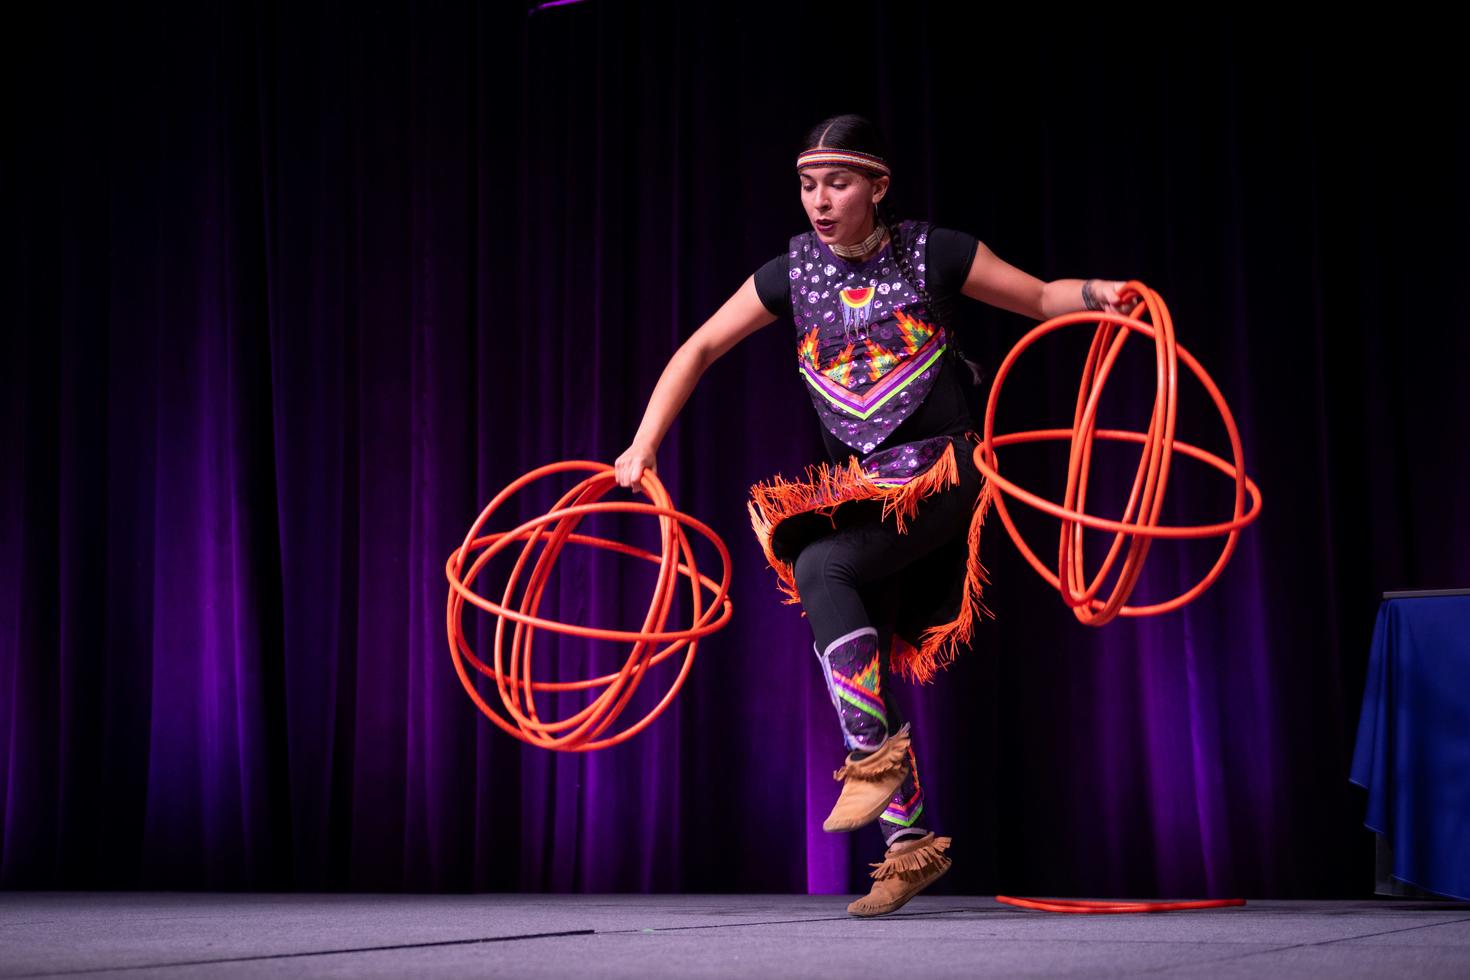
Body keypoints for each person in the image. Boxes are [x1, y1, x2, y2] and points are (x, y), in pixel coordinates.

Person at [614, 114, 1131, 916]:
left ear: (878, 187)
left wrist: (1102, 295)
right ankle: (907, 843)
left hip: (942, 472)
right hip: (861, 484)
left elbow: (1035, 297)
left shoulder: (934, 252)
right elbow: (700, 347)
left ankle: (875, 770)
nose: (820, 201)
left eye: (839, 183)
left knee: (822, 564)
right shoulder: (790, 272)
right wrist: (643, 446)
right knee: (840, 606)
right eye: (808, 184)